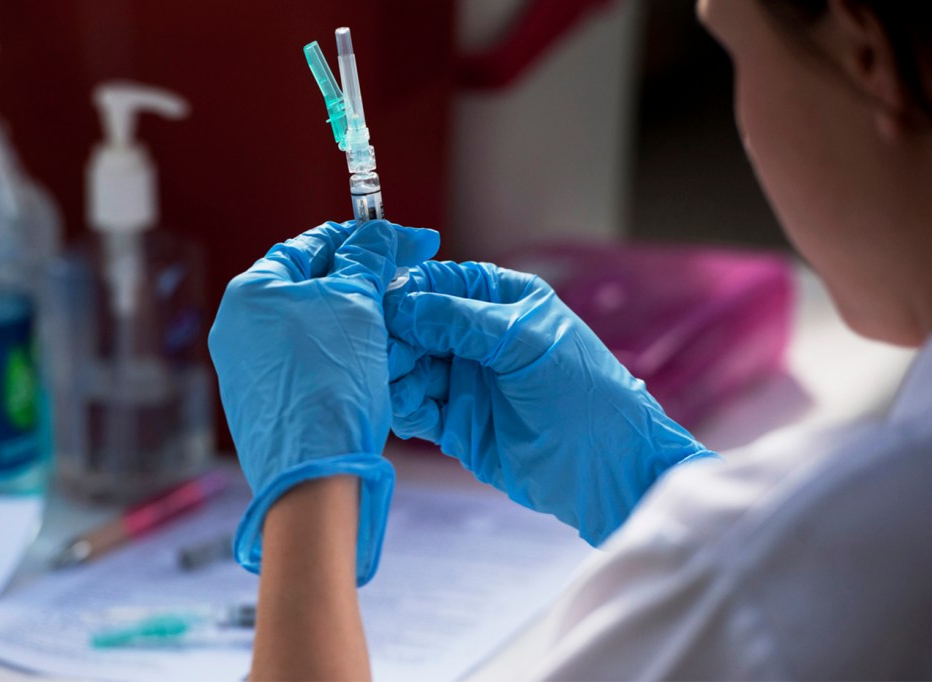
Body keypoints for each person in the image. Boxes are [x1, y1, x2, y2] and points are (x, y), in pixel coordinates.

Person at [208, 0, 932, 678]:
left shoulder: (755, 574)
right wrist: (653, 481)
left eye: (736, 52)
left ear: (865, 56)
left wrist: (307, 501)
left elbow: (778, 593)